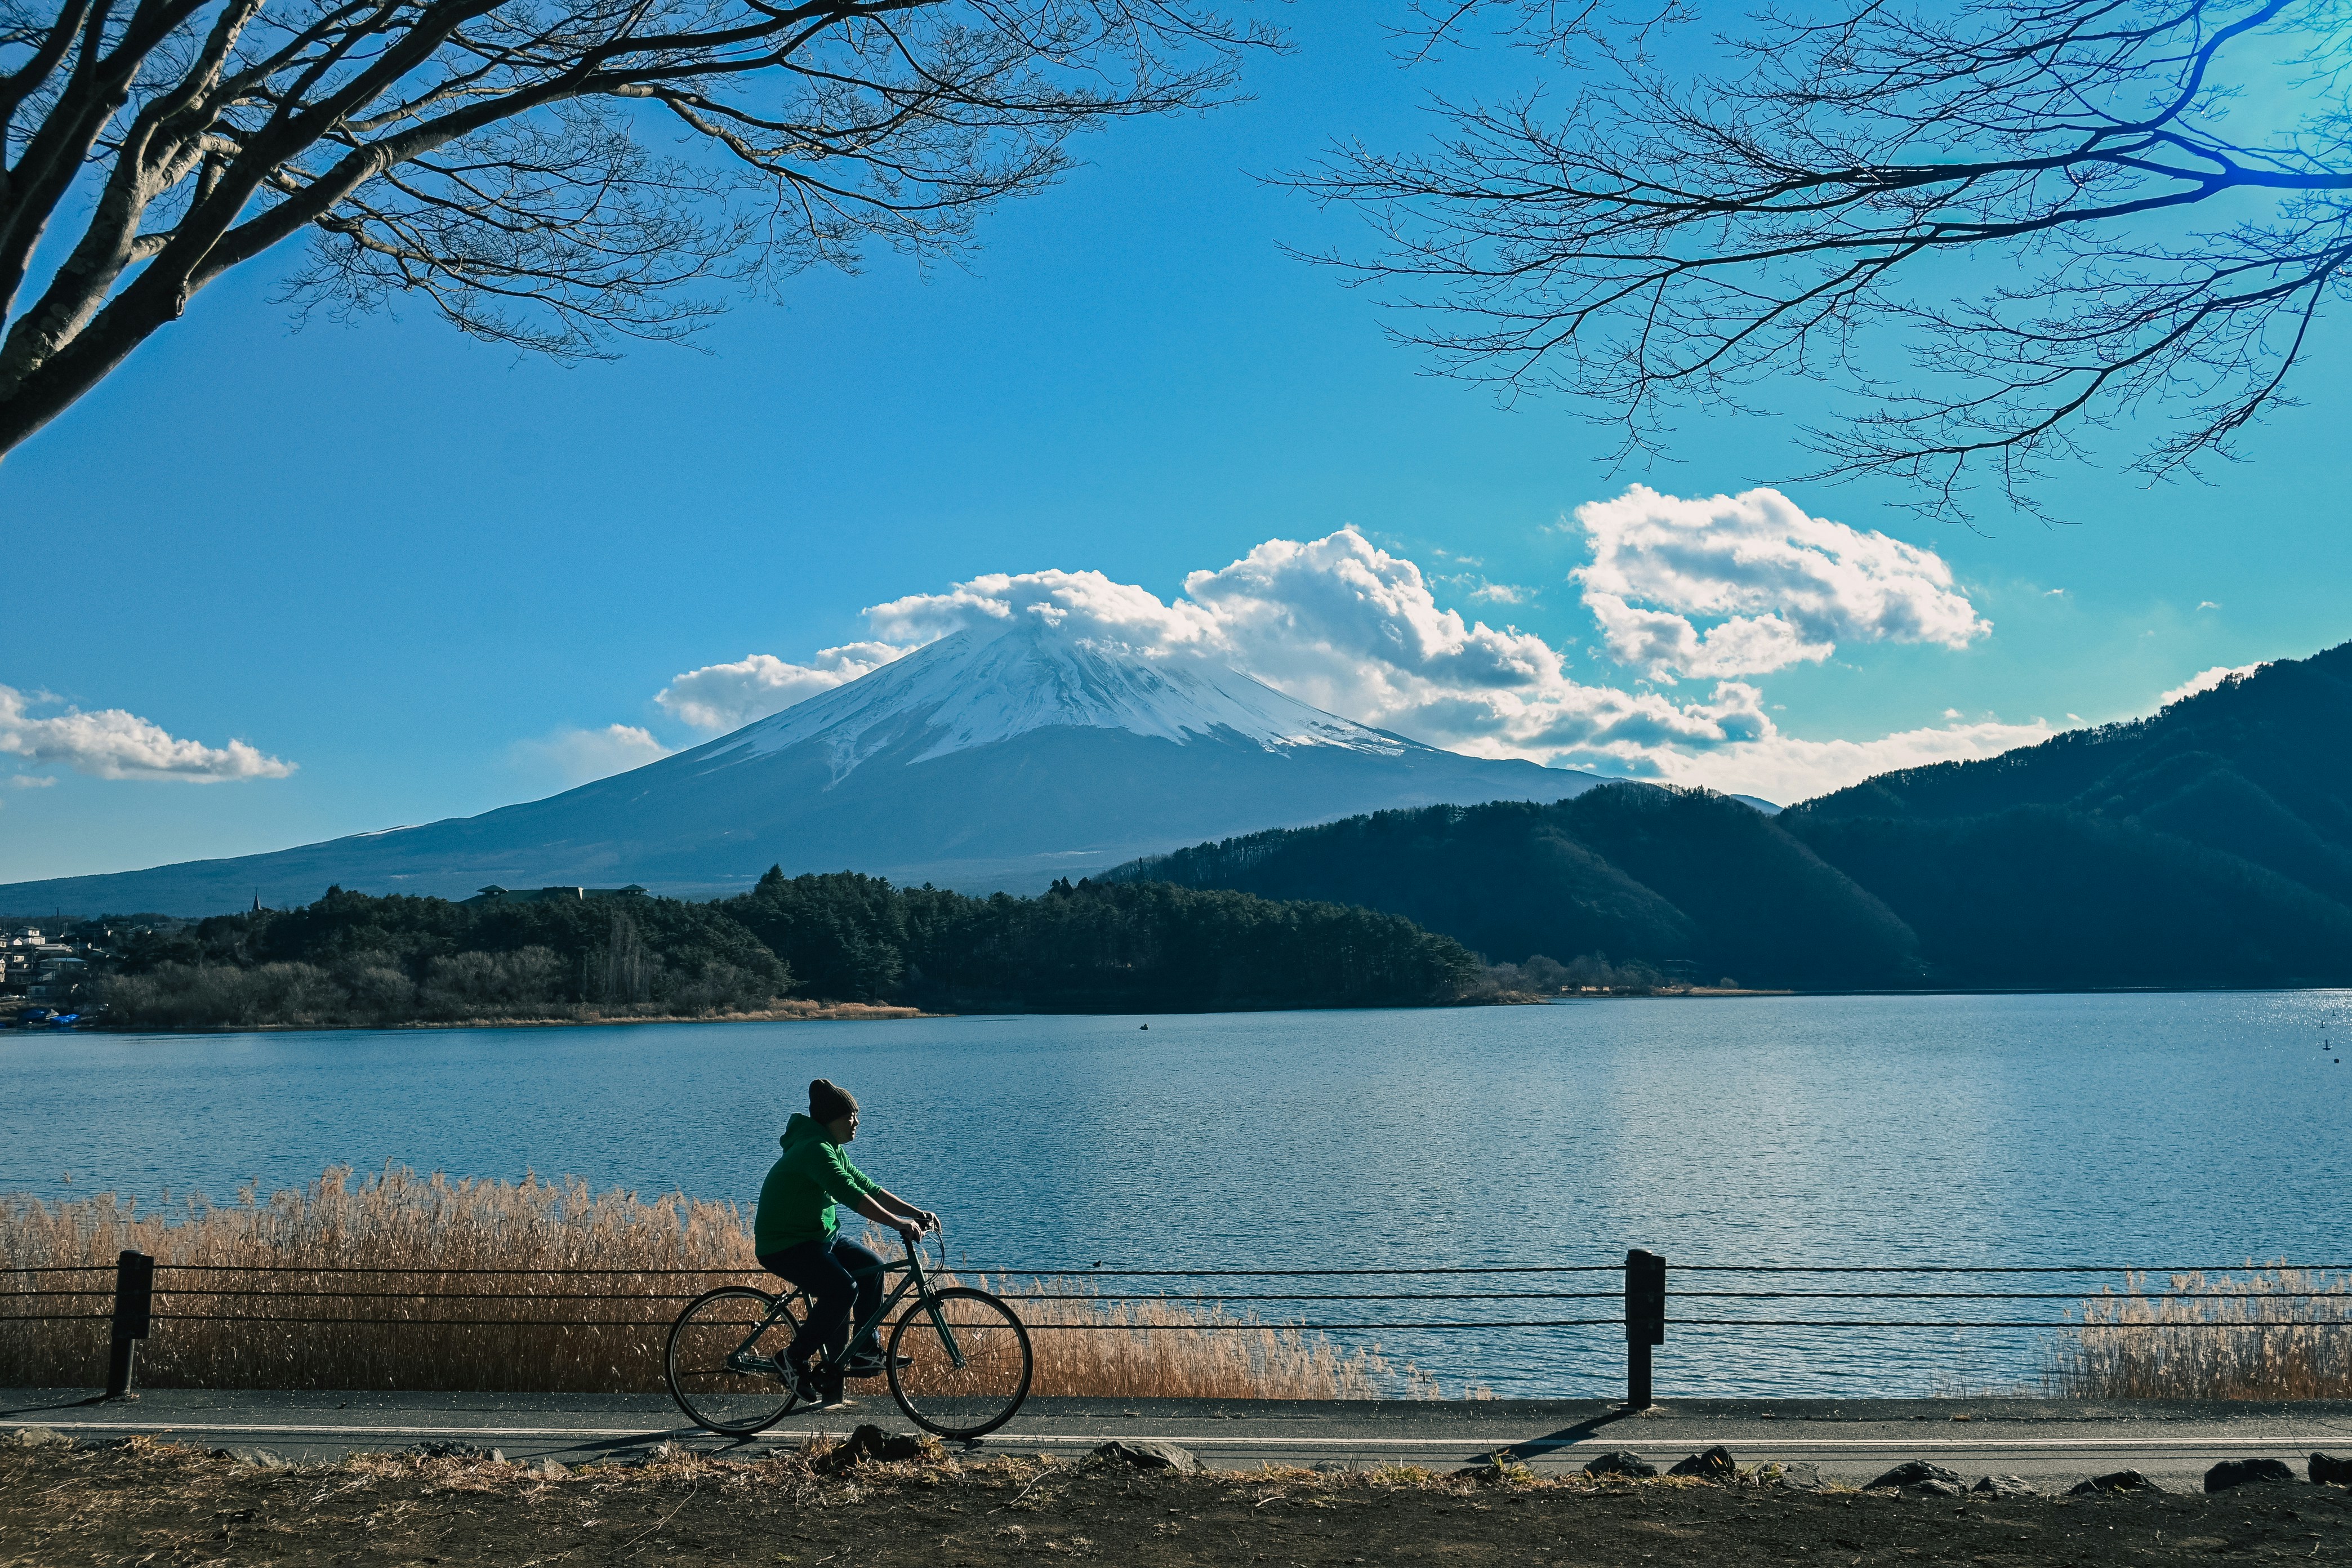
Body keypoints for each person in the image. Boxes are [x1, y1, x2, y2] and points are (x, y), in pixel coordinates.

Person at [754, 1079, 939, 1404]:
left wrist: (916, 1212)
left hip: (817, 1237)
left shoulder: (830, 1147)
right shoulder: (814, 1149)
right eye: (848, 1116)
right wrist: (898, 1224)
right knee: (842, 1289)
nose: (856, 1122)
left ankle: (865, 1350)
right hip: (784, 1243)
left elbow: (867, 1186)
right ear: (829, 1120)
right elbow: (850, 1194)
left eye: (856, 1115)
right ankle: (791, 1358)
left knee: (872, 1266)